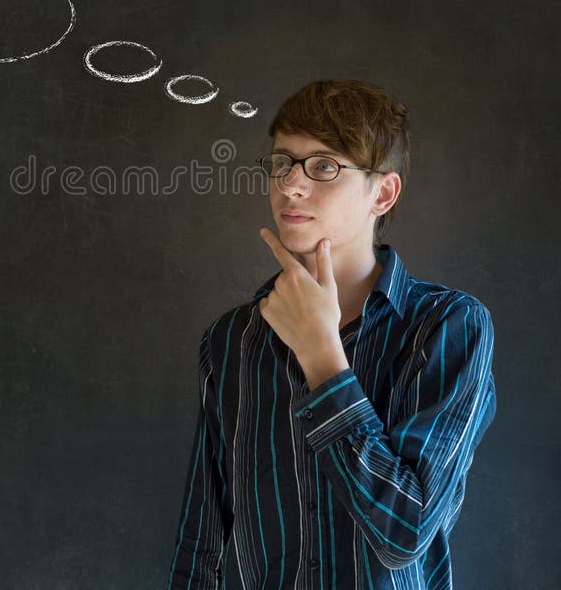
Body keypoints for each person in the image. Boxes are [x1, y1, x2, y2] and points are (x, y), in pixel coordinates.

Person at [167, 79, 496, 590]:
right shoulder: (230, 340)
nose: (290, 186)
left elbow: (403, 533)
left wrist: (321, 354)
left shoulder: (447, 326)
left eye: (324, 166)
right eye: (282, 163)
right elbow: (202, 541)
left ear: (382, 193)